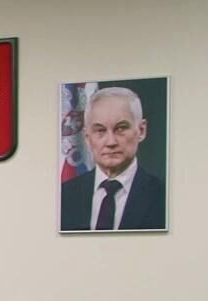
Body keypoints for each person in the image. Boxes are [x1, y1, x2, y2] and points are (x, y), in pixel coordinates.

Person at [60, 87, 165, 231]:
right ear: (87, 137)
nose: (110, 142)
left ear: (141, 130)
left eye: (121, 128)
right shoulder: (64, 196)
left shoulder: (164, 196)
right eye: (100, 130)